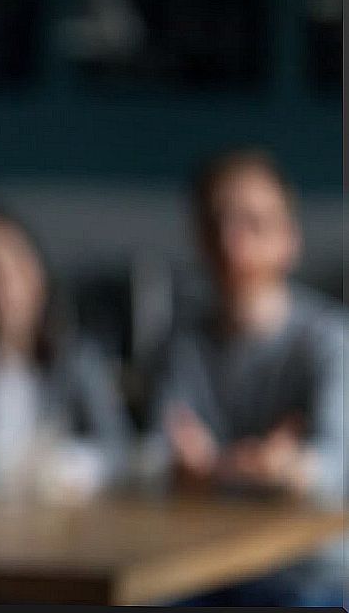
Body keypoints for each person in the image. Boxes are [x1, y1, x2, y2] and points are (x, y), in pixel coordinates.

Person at [153, 147, 345, 606]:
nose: (233, 242)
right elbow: (163, 454)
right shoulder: (182, 344)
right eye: (218, 223)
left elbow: (336, 460)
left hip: (307, 566)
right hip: (201, 563)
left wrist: (298, 467)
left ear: (289, 239)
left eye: (254, 222)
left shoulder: (329, 341)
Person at [0, 206, 131, 502]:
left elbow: (120, 445)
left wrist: (79, 465)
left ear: (36, 268)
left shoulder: (78, 358)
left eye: (8, 264)